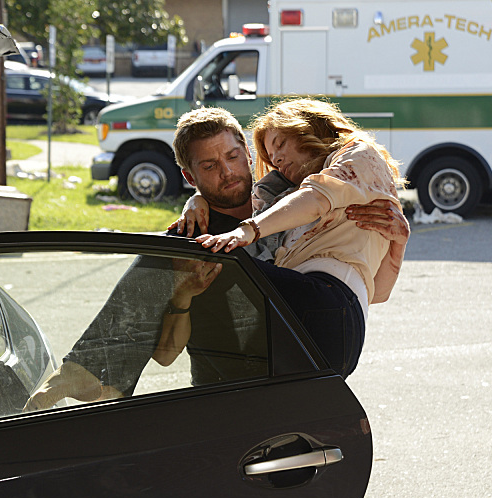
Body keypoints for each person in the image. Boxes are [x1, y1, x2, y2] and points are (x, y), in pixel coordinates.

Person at [25, 106, 408, 410]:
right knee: (178, 247)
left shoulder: (287, 194)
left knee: (203, 253)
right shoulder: (198, 226)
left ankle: (88, 371)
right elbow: (163, 354)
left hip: (292, 353)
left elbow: (315, 198)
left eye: (233, 156)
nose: (227, 172)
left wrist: (247, 230)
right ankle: (95, 375)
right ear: (189, 176)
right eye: (209, 166)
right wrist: (183, 296)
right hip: (221, 386)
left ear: (245, 153)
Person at [168, 99, 409, 377]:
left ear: (308, 129)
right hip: (329, 327)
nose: (276, 159)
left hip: (324, 303)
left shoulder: (357, 155)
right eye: (272, 155)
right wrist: (198, 199)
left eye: (280, 144)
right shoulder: (289, 196)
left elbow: (316, 198)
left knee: (216, 261)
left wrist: (247, 230)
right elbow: (378, 294)